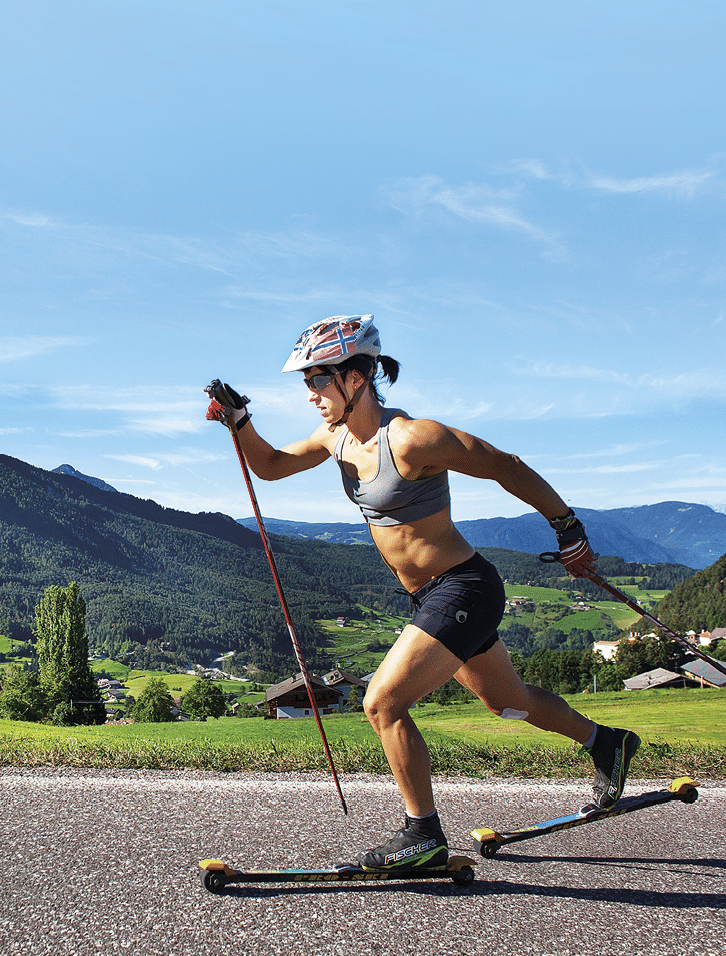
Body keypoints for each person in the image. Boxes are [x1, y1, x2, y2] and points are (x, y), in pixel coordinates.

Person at [206, 314, 640, 870]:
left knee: (381, 702)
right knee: (508, 703)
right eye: (306, 381)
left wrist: (568, 529)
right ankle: (606, 743)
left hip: (463, 587)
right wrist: (240, 421)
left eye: (318, 379)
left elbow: (503, 465)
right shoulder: (335, 437)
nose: (310, 393)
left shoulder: (411, 437)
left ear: (356, 378)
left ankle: (423, 834)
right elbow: (268, 467)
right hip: (433, 597)